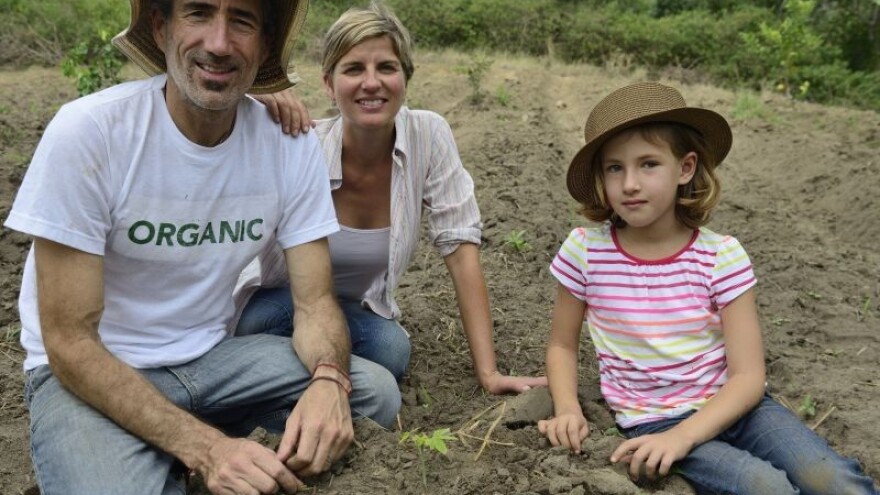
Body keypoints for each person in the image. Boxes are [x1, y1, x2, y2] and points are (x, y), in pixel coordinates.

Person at [3, 0, 400, 493]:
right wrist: (208, 449)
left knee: (372, 394)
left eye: (242, 21)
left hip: (208, 360)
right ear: (161, 27)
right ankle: (166, 453)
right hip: (92, 376)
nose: (218, 42)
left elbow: (316, 304)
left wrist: (327, 380)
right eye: (197, 13)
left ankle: (161, 454)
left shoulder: (288, 144)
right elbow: (69, 342)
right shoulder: (91, 132)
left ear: (264, 45)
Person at [538, 82, 879, 494]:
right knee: (766, 488)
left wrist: (687, 436)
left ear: (685, 168)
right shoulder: (586, 252)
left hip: (742, 410)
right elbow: (562, 345)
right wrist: (568, 408)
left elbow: (749, 376)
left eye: (648, 164)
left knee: (834, 482)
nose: (629, 183)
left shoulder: (722, 256)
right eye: (615, 167)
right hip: (656, 419)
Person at [236, 1, 547, 394]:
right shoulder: (301, 145)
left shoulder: (428, 136)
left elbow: (461, 247)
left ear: (405, 78)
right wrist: (252, 95)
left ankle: (276, 386)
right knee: (255, 325)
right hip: (284, 305)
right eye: (353, 69)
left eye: (386, 67)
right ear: (329, 84)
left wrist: (489, 373)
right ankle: (318, 384)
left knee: (391, 349)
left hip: (354, 313)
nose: (371, 82)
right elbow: (213, 124)